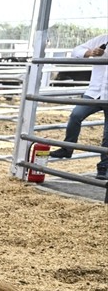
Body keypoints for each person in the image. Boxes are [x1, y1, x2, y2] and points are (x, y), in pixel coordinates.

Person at [50, 33, 107, 181]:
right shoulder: (102, 39)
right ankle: (67, 148)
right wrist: (90, 52)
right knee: (76, 115)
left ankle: (103, 167)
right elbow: (76, 51)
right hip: (94, 92)